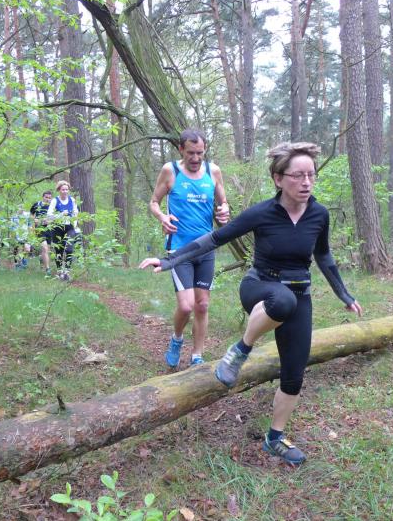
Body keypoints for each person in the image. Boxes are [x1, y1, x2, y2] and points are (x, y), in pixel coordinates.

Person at [140, 142, 363, 465]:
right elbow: (215, 239)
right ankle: (240, 351)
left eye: (311, 175)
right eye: (298, 176)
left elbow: (324, 256)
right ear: (278, 179)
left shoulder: (319, 214)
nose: (306, 182)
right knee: (282, 300)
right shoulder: (262, 213)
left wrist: (344, 294)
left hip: (299, 294)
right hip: (259, 287)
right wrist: (169, 260)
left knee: (294, 374)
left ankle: (275, 439)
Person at [148, 129, 230, 368]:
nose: (196, 158)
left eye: (200, 153)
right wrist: (162, 217)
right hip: (179, 249)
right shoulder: (170, 171)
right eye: (191, 153)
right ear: (181, 150)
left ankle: (197, 356)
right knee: (186, 306)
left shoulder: (213, 171)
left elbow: (223, 203)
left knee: (202, 305)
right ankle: (177, 339)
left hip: (206, 248)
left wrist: (224, 210)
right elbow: (154, 202)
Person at [47, 180, 80, 281]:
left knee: (69, 249)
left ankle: (67, 272)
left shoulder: (72, 200)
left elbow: (76, 213)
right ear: (59, 190)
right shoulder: (55, 200)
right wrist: (61, 214)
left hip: (69, 227)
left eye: (66, 189)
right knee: (59, 250)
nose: (65, 191)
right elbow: (49, 216)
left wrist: (74, 225)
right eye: (63, 190)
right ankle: (59, 271)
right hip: (57, 227)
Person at [30, 190, 53, 277]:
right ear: (43, 197)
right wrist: (34, 220)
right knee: (44, 248)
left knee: (47, 250)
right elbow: (31, 214)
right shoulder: (37, 204)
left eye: (49, 198)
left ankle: (41, 258)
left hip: (50, 229)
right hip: (39, 229)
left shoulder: (52, 206)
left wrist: (50, 221)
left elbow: (56, 216)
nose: (48, 199)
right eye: (46, 197)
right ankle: (47, 269)